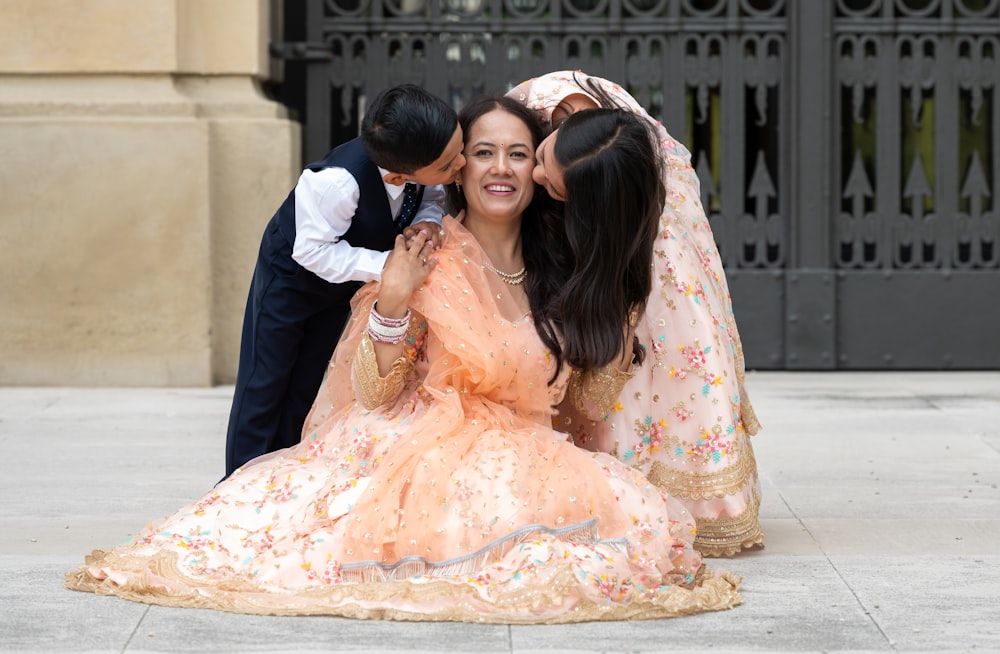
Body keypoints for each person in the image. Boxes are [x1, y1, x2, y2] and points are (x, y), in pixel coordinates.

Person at [65, 96, 741, 622]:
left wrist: (616, 323)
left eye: (518, 153)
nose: (501, 168)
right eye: (482, 153)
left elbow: (586, 407)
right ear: (455, 166)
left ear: (544, 174)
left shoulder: (563, 271)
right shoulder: (425, 254)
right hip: (416, 442)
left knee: (632, 530)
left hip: (523, 451)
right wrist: (392, 301)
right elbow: (375, 389)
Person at [509, 71, 764, 557]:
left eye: (554, 187)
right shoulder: (542, 106)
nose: (536, 177)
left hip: (642, 238)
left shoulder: (624, 175)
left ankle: (690, 498)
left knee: (670, 355)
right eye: (539, 160)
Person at [224, 84, 466, 478]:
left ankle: (279, 477)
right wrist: (388, 265)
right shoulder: (337, 183)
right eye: (449, 162)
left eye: (460, 147)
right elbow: (312, 251)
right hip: (291, 280)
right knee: (265, 381)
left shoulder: (425, 160)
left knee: (307, 380)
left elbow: (430, 193)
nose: (462, 162)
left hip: (343, 284)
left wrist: (428, 218)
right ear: (402, 172)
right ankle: (238, 481)